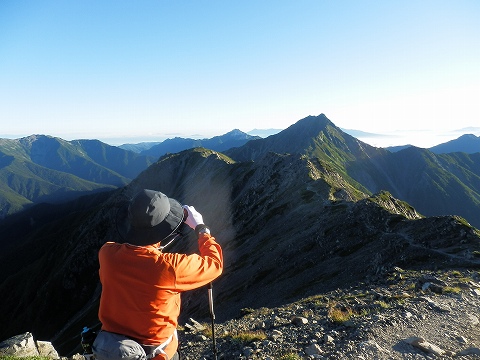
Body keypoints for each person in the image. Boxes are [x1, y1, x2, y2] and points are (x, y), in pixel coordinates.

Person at [95, 189, 223, 360]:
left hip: (111, 349)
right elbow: (214, 264)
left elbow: (130, 251)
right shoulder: (170, 267)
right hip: (158, 353)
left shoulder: (107, 254)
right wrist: (201, 229)